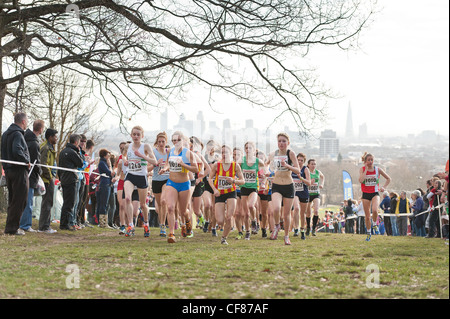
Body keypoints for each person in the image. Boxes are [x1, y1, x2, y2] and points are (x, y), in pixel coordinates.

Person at [160, 131, 199, 243]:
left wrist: (183, 165)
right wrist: (165, 168)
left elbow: (196, 169)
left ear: (183, 140)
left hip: (184, 184)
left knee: (183, 211)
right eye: (173, 140)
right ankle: (171, 234)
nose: (175, 142)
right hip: (171, 182)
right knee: (171, 207)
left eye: (178, 140)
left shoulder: (188, 153)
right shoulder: (171, 151)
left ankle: (187, 221)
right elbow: (168, 163)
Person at [123, 126, 158, 237]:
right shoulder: (128, 146)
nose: (136, 136)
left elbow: (155, 162)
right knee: (128, 198)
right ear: (131, 135)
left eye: (138, 134)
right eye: (134, 134)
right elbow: (123, 156)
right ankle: (130, 226)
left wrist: (142, 156)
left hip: (141, 176)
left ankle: (146, 223)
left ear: (142, 136)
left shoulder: (145, 146)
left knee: (143, 204)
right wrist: (126, 161)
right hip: (130, 175)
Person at [266, 133, 300, 245]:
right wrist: (265, 173)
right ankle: (276, 226)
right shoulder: (273, 154)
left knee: (286, 214)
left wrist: (287, 166)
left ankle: (286, 236)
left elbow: (298, 170)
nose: (281, 143)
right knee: (275, 209)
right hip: (276, 185)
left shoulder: (291, 153)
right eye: (279, 141)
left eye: (284, 141)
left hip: (288, 185)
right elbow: (265, 166)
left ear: (288, 143)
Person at [208, 145, 245, 245]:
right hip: (219, 193)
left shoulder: (235, 165)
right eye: (222, 153)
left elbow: (242, 181)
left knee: (229, 217)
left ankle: (224, 238)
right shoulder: (217, 165)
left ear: (230, 154)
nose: (224, 154)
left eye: (226, 152)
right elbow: (210, 179)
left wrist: (233, 180)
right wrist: (214, 189)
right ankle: (225, 223)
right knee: (220, 221)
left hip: (231, 192)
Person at [1, 113, 31, 235]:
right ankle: (12, 228)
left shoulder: (5, 134)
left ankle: (10, 226)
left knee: (12, 200)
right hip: (18, 170)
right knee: (20, 200)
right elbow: (16, 149)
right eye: (27, 121)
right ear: (23, 121)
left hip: (8, 171)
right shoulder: (18, 134)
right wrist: (26, 161)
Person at [358, 152, 391, 241]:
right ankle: (369, 233)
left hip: (375, 192)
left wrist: (384, 187)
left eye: (372, 160)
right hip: (365, 194)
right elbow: (361, 180)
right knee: (367, 216)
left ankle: (375, 224)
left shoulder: (378, 169)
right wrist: (365, 170)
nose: (370, 161)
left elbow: (388, 178)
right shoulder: (362, 169)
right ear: (365, 161)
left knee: (375, 210)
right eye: (368, 160)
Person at [19, 119, 45, 233]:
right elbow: (36, 161)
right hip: (30, 176)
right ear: (40, 129)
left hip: (24, 175)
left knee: (25, 201)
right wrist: (40, 172)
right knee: (28, 202)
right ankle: (25, 224)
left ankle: (23, 223)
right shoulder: (34, 143)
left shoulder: (25, 139)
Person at [58, 134, 84, 231]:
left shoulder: (63, 151)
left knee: (66, 202)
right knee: (70, 203)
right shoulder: (73, 152)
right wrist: (79, 152)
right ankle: (66, 224)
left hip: (64, 179)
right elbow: (80, 163)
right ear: (77, 142)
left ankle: (64, 222)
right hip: (72, 179)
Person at [239, 141, 265, 240]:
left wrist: (263, 175)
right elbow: (235, 169)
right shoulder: (241, 161)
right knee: (245, 213)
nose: (248, 150)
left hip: (253, 187)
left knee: (251, 205)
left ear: (254, 150)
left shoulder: (258, 161)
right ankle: (247, 231)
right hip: (244, 187)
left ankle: (254, 220)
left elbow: (264, 167)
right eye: (246, 148)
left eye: (250, 148)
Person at [38, 128, 58, 233]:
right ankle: (44, 227)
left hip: (50, 178)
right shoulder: (45, 147)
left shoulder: (50, 147)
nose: (56, 138)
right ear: (50, 137)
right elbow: (44, 164)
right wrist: (50, 177)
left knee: (48, 202)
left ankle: (46, 225)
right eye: (55, 136)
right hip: (46, 179)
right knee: (47, 202)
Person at [151, 132, 170, 237]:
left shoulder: (169, 152)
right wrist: (156, 163)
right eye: (159, 142)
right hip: (156, 180)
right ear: (156, 142)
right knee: (159, 207)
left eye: (163, 141)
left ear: (166, 142)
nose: (161, 143)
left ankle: (163, 226)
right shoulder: (153, 152)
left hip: (167, 179)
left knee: (163, 201)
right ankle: (161, 223)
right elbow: (148, 168)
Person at [292, 152, 311, 240]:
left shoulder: (305, 169)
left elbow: (309, 183)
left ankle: (302, 229)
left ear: (304, 162)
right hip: (294, 192)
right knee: (296, 208)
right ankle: (296, 228)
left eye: (301, 160)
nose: (299, 162)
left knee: (303, 213)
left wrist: (301, 178)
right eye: (298, 160)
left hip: (303, 192)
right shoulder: (292, 168)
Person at [96, 149, 116, 228]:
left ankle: (105, 222)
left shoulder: (104, 163)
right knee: (104, 203)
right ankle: (102, 222)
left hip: (108, 184)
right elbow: (110, 173)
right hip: (105, 184)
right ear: (104, 155)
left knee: (107, 203)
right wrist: (110, 167)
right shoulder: (102, 163)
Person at [306, 158, 324, 236]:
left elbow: (323, 177)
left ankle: (313, 229)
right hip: (308, 194)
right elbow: (303, 181)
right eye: (312, 164)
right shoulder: (306, 172)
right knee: (308, 213)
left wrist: (322, 184)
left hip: (316, 193)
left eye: (314, 164)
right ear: (308, 165)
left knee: (316, 211)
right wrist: (309, 183)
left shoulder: (318, 172)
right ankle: (307, 228)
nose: (313, 165)